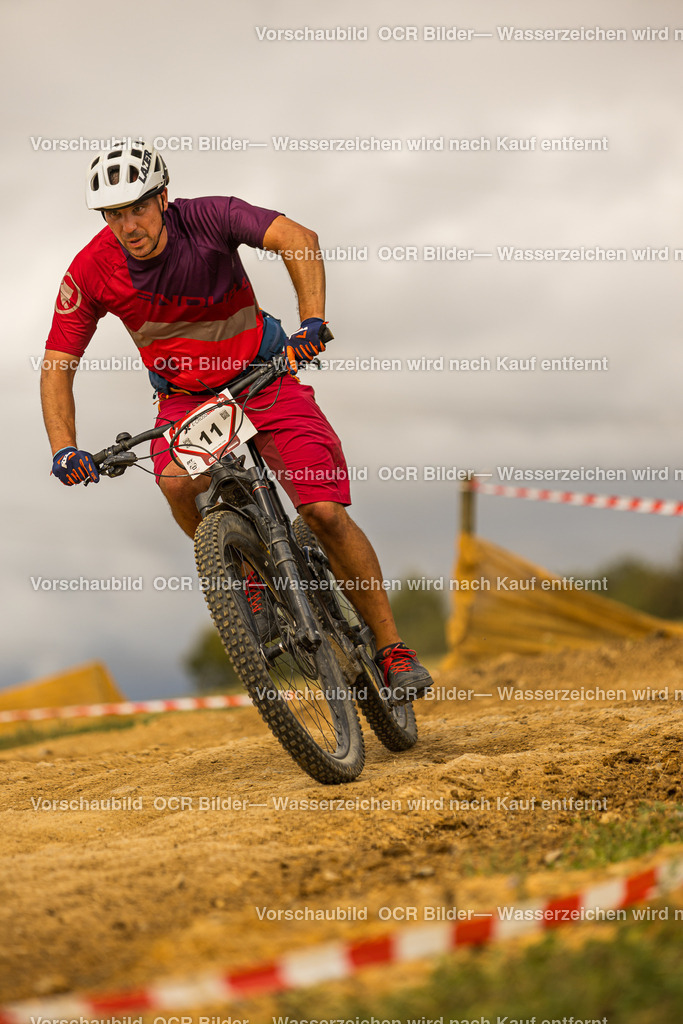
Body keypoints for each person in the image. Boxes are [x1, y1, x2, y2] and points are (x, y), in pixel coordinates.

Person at [40, 138, 432, 703]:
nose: (129, 225)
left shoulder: (209, 217)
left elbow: (298, 239)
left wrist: (311, 322)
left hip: (264, 372)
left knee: (322, 511)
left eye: (139, 208)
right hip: (185, 399)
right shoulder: (91, 269)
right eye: (115, 214)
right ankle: (243, 574)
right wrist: (64, 447)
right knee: (175, 482)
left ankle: (392, 649)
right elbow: (57, 365)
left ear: (163, 198)